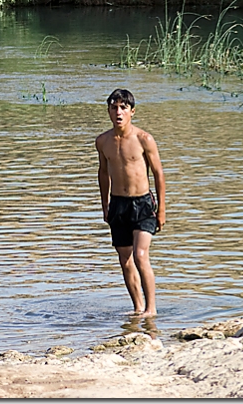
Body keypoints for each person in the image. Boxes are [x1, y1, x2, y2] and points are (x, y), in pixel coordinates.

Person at [95, 89, 166, 318]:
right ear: (108, 111)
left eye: (123, 108)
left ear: (132, 112)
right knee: (125, 259)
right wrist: (105, 205)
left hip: (143, 204)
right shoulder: (103, 141)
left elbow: (158, 173)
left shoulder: (144, 139)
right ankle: (138, 308)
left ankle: (151, 308)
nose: (118, 112)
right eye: (114, 107)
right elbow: (103, 172)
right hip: (118, 205)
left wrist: (162, 210)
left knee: (140, 255)